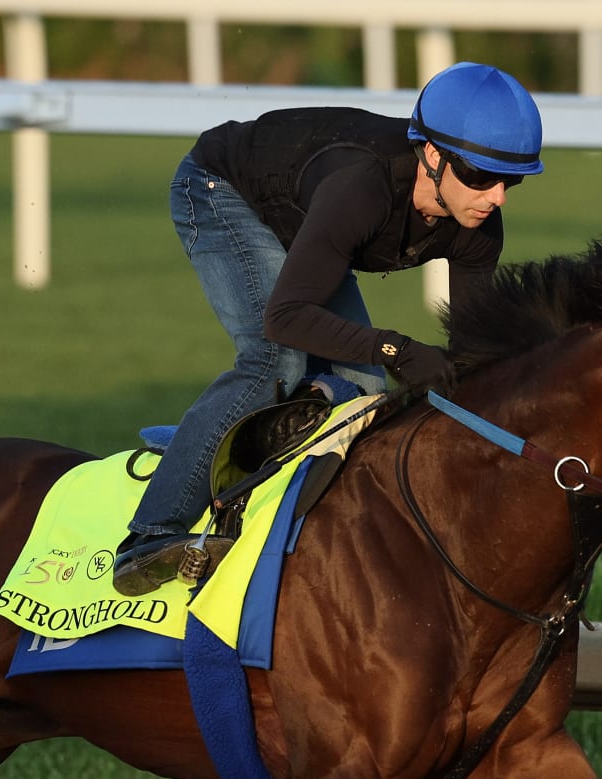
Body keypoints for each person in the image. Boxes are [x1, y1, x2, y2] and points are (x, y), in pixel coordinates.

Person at [111, 61, 545, 597]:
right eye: (481, 177)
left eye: (512, 181)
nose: (496, 197)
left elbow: (474, 356)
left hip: (302, 215)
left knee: (364, 389)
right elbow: (286, 317)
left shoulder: (479, 227)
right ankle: (150, 533)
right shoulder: (362, 188)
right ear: (433, 156)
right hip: (221, 188)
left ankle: (282, 518)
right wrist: (398, 348)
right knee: (274, 361)